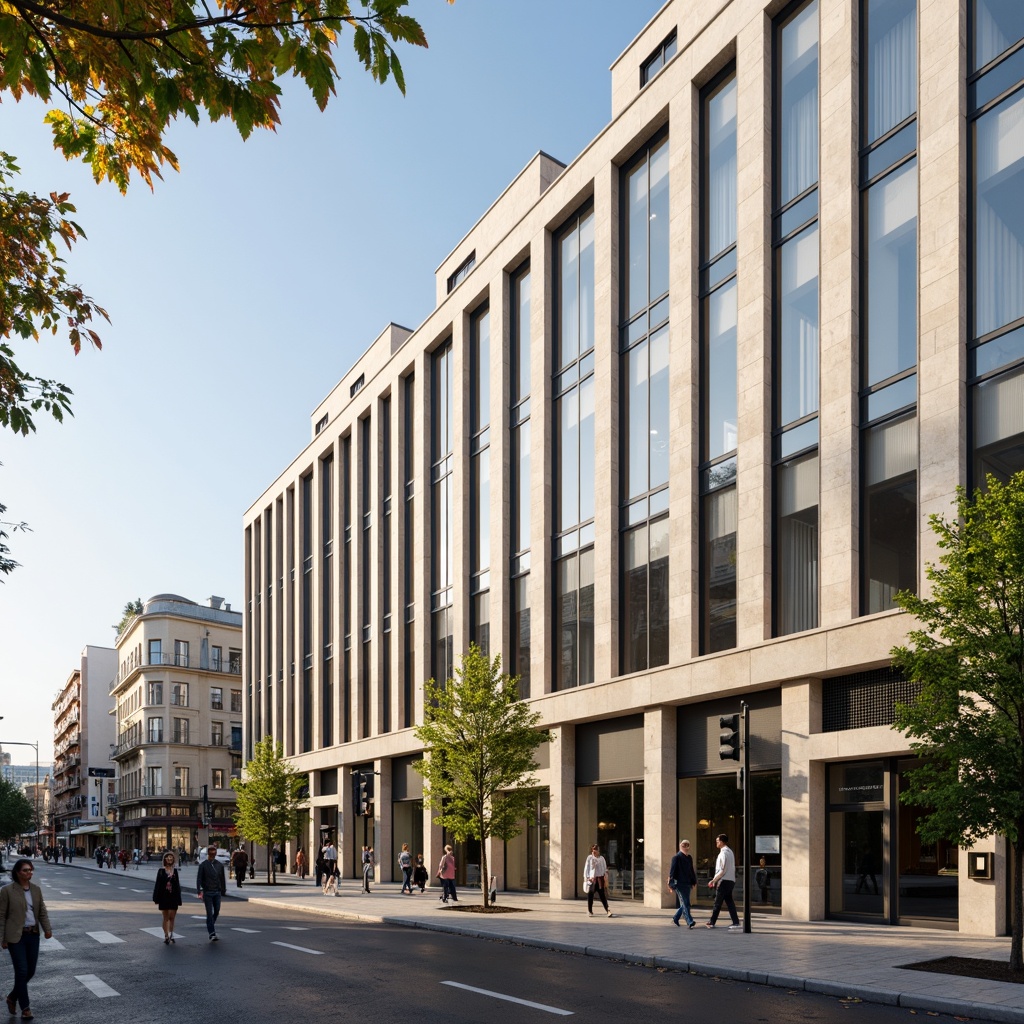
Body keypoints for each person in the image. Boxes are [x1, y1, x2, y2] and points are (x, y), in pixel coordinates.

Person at [0, 858, 53, 1020]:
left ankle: (12, 997)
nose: (29, 873)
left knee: (30, 971)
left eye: (30, 870)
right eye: (25, 870)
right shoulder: (7, 891)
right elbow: (1, 915)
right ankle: (26, 1008)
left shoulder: (36, 890)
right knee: (21, 971)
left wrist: (47, 929)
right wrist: (2, 938)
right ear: (17, 872)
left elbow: (42, 911)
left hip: (33, 935)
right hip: (16, 936)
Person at [706, 833, 740, 930]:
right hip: (730, 880)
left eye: (717, 841)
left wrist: (714, 880)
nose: (716, 843)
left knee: (718, 902)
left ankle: (712, 922)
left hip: (724, 880)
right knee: (729, 902)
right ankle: (736, 922)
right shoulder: (730, 852)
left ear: (721, 842)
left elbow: (722, 870)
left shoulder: (723, 853)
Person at [196, 844, 227, 941]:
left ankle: (210, 923)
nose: (213, 853)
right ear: (208, 853)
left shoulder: (219, 865)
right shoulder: (203, 865)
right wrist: (199, 891)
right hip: (207, 892)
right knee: (209, 913)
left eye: (214, 851)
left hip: (217, 891)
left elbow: (222, 878)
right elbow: (199, 879)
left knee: (217, 911)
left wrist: (223, 890)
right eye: (211, 852)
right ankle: (212, 933)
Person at [152, 852, 182, 944]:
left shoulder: (175, 871)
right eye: (168, 858)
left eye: (171, 858)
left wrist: (179, 899)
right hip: (164, 897)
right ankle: (166, 935)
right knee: (166, 917)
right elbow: (158, 885)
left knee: (172, 917)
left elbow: (177, 886)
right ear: (165, 859)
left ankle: (171, 934)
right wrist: (156, 898)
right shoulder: (161, 871)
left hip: (173, 897)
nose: (169, 859)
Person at [668, 839, 697, 928]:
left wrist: (693, 881)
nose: (685, 847)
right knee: (686, 903)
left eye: (687, 845)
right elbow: (672, 872)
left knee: (685, 903)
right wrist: (670, 884)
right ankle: (689, 921)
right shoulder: (676, 857)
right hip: (679, 884)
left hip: (687, 883)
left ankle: (676, 918)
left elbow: (691, 870)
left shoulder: (689, 858)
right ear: (680, 846)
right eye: (683, 845)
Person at [583, 844, 612, 917]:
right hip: (593, 879)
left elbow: (605, 868)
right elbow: (587, 867)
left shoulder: (602, 858)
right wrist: (586, 877)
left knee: (602, 895)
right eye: (593, 850)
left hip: (600, 879)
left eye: (596, 850)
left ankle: (608, 910)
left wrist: (606, 875)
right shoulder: (590, 858)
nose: (595, 851)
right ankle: (590, 911)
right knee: (590, 894)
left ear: (599, 851)